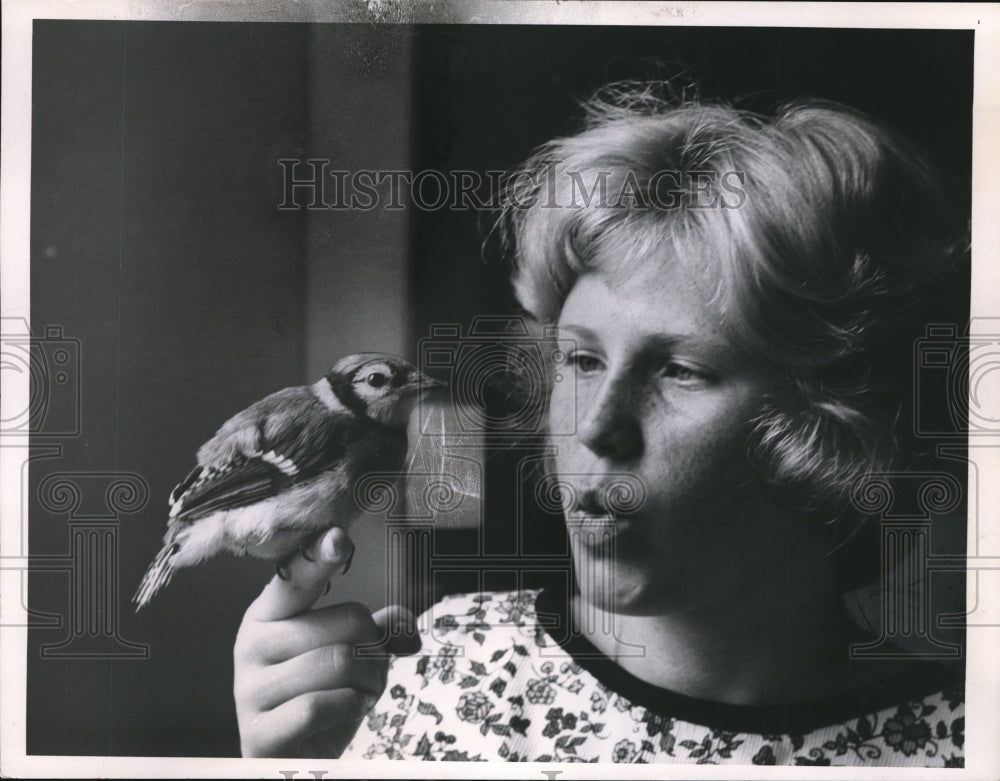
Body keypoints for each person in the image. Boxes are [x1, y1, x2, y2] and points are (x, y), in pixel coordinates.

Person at [233, 83, 968, 765]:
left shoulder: (961, 740)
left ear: (825, 426)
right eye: (580, 360)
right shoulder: (446, 678)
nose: (596, 426)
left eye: (680, 370)